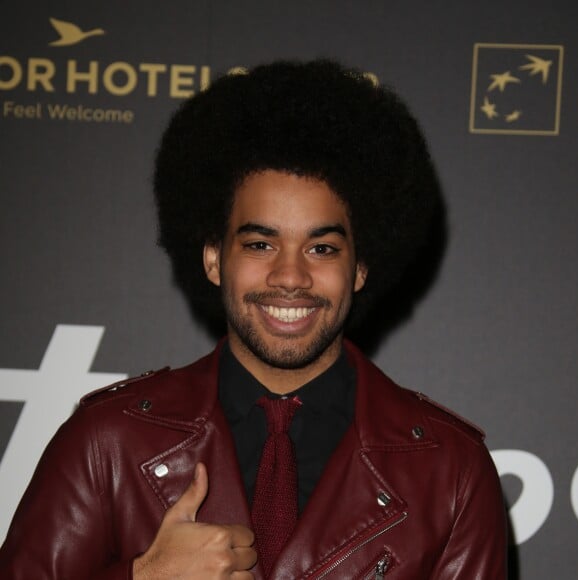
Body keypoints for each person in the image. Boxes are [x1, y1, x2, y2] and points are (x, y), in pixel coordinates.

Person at [0, 59, 507, 579]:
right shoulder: (105, 440)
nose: (290, 276)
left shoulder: (451, 472)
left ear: (360, 269)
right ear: (215, 258)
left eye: (323, 248)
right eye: (261, 243)